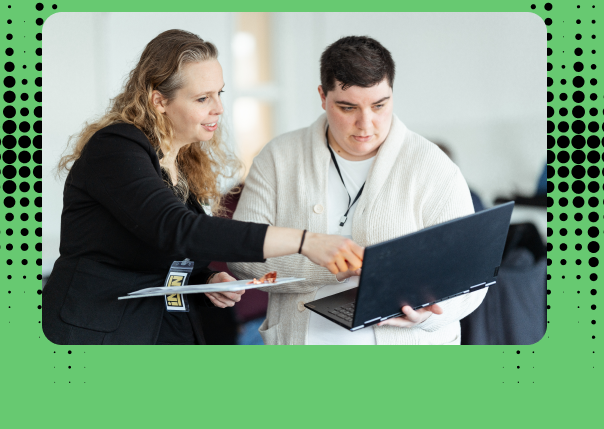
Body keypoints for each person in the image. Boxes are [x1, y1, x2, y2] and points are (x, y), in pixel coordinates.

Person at [42, 29, 363, 345]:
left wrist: (205, 278)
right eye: (202, 98)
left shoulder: (180, 160)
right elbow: (176, 229)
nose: (218, 108)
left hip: (166, 326)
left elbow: (159, 253)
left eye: (219, 93)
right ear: (159, 101)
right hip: (100, 332)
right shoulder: (115, 148)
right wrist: (305, 241)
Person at [228, 36, 486, 345]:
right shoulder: (278, 158)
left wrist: (429, 314)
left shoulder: (433, 166)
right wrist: (331, 266)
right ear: (323, 97)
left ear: (392, 93)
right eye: (347, 107)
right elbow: (242, 258)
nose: (366, 123)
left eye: (379, 105)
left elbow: (473, 278)